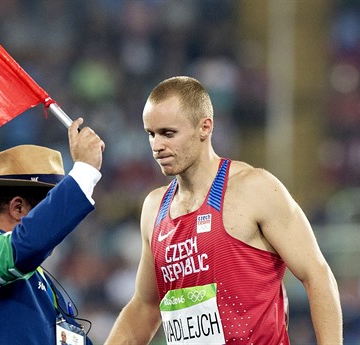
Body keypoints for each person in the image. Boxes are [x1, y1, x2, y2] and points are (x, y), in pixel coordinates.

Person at [105, 76, 342, 344]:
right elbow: (145, 308)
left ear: (205, 127)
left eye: (168, 133)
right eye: (151, 134)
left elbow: (317, 276)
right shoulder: (154, 208)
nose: (157, 146)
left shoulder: (254, 188)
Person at [0, 118, 104, 344]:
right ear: (18, 207)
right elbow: (21, 248)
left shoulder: (44, 285)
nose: (59, 222)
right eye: (49, 206)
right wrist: (84, 172)